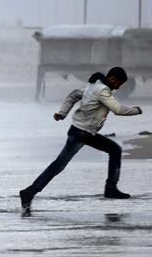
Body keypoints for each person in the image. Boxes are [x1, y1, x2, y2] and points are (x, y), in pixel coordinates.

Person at [19, 67, 142, 213]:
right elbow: (118, 110)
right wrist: (136, 110)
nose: (119, 87)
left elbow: (72, 96)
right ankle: (29, 192)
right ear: (112, 79)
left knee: (114, 150)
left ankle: (111, 188)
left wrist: (62, 113)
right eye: (119, 83)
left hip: (82, 132)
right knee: (58, 165)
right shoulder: (102, 90)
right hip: (81, 134)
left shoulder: (91, 86)